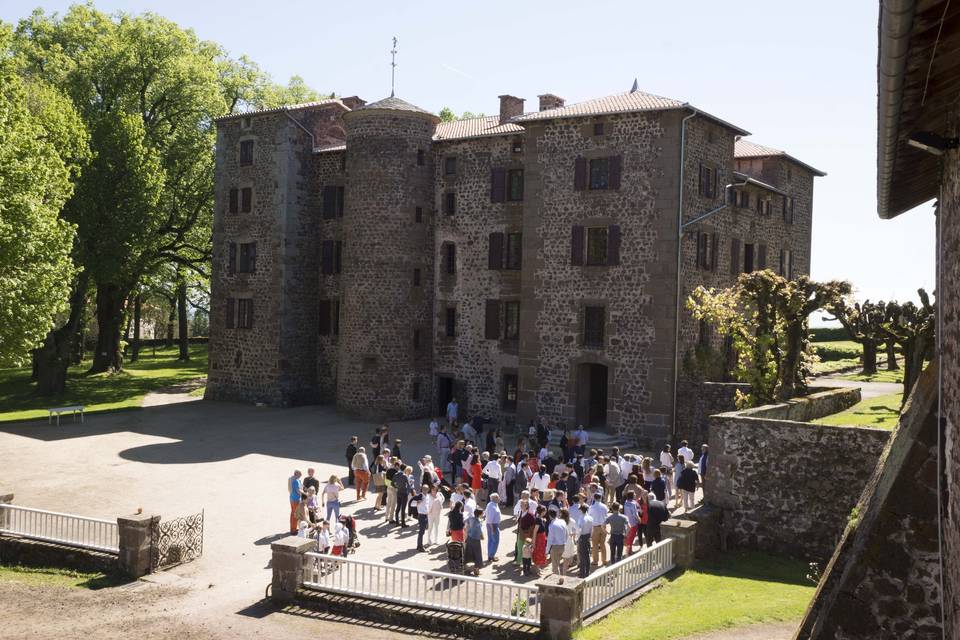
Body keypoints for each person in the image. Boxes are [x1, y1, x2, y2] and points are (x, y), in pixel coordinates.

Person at [546, 509, 569, 583]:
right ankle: (559, 578)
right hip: (563, 546)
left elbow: (550, 539)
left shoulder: (551, 525)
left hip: (555, 547)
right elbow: (567, 533)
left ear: (550, 516)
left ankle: (559, 581)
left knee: (555, 566)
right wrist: (564, 542)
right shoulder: (563, 522)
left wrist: (546, 551)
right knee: (558, 564)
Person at [588, 493, 609, 567]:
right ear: (600, 498)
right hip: (603, 527)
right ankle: (604, 560)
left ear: (594, 498)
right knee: (603, 544)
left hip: (595, 527)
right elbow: (606, 515)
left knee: (595, 545)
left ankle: (595, 561)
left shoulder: (591, 507)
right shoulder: (605, 506)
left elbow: (590, 517)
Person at [464, 508, 484, 575]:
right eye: (482, 513)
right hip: (475, 539)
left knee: (468, 553)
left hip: (469, 538)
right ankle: (476, 570)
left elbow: (466, 523)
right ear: (479, 514)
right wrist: (482, 536)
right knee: (477, 554)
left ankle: (465, 567)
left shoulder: (471, 518)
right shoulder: (478, 522)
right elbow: (479, 531)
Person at [577, 504, 594, 578]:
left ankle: (582, 574)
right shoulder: (590, 518)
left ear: (581, 510)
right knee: (587, 555)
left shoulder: (581, 518)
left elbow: (580, 530)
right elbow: (592, 529)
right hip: (587, 537)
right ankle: (587, 572)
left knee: (582, 556)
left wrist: (577, 539)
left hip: (582, 537)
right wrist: (590, 536)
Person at [484, 492, 502, 561]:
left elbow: (485, 513)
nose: (499, 498)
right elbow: (490, 519)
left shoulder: (492, 504)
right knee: (495, 541)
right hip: (493, 525)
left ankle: (490, 555)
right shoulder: (492, 506)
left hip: (492, 525)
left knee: (491, 540)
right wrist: (492, 529)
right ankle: (491, 556)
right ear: (494, 498)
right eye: (498, 497)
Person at [623, 490, 640, 555]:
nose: (635, 495)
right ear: (632, 496)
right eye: (634, 494)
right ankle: (629, 551)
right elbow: (635, 514)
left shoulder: (626, 502)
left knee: (629, 537)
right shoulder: (633, 504)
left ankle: (629, 550)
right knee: (631, 537)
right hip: (633, 523)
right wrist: (639, 519)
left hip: (627, 523)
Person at [414, 484, 431, 551]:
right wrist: (418, 502)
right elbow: (415, 503)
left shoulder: (427, 496)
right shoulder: (420, 496)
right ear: (422, 489)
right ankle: (420, 546)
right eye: (424, 489)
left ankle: (419, 545)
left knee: (423, 530)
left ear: (428, 489)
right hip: (421, 515)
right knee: (421, 531)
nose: (425, 490)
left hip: (426, 515)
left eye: (426, 489)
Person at [532, 505, 548, 572]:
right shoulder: (538, 519)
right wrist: (533, 542)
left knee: (540, 552)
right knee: (538, 553)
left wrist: (543, 521)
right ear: (543, 511)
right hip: (539, 539)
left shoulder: (540, 518)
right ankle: (537, 569)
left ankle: (538, 568)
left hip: (542, 538)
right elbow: (535, 531)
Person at [288, 469, 303, 535]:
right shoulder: (296, 481)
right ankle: (293, 530)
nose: (301, 476)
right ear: (297, 474)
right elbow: (298, 491)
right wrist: (304, 494)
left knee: (292, 514)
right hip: (296, 500)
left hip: (292, 499)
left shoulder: (291, 479)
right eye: (300, 474)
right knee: (295, 515)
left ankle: (292, 528)